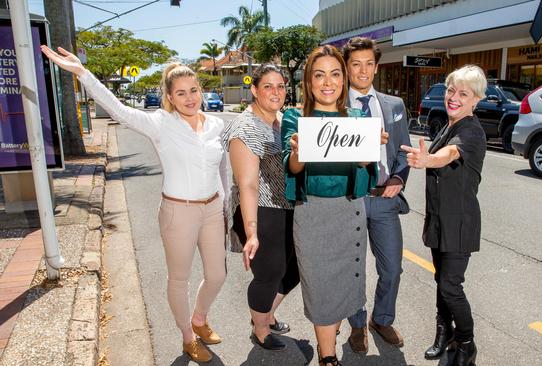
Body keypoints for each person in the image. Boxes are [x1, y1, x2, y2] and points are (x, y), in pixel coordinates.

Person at [41, 46, 228, 363]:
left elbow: (221, 169)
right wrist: (82, 73)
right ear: (169, 96)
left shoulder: (215, 125)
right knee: (178, 279)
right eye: (181, 92)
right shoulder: (160, 123)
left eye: (194, 90)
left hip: (212, 209)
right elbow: (118, 110)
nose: (190, 97)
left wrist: (225, 204)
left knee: (218, 275)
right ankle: (187, 336)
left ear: (201, 90)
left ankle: (200, 318)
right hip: (178, 212)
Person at [281, 45, 385, 366]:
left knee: (342, 286)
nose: (328, 82)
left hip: (349, 213)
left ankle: (329, 345)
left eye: (335, 74)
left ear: (343, 79)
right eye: (319, 74)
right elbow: (292, 168)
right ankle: (327, 356)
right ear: (308, 81)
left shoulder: (357, 118)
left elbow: (367, 169)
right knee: (321, 287)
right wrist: (297, 151)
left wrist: (369, 154)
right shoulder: (295, 117)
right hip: (312, 215)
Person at [401, 65, 487, 366]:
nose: (454, 97)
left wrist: (428, 159)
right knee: (442, 281)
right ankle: (444, 332)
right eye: (451, 90)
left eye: (463, 93)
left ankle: (466, 343)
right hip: (439, 219)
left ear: (476, 100)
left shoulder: (471, 131)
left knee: (451, 285)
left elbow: (449, 154)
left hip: (459, 222)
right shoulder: (449, 125)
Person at [341, 37, 411, 353]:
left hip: (385, 199)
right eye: (356, 64)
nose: (363, 70)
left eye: (369, 63)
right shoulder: (335, 108)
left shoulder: (394, 105)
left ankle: (381, 319)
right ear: (346, 67)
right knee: (353, 270)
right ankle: (357, 325)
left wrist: (398, 176)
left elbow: (404, 150)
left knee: (392, 268)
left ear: (376, 66)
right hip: (350, 200)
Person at [223, 64, 299, 352]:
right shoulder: (245, 128)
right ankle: (260, 329)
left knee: (294, 269)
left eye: (280, 86)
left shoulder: (282, 121)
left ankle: (266, 313)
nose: (275, 92)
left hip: (286, 206)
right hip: (260, 209)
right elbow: (248, 186)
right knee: (269, 271)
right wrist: (252, 233)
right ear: (254, 90)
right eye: (267, 86)